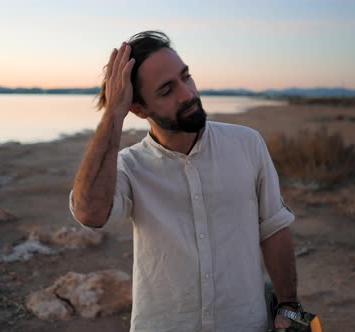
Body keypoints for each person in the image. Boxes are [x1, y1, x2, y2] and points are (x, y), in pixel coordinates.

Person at [69, 31, 299, 332]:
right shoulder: (129, 166)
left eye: (186, 77)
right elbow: (90, 213)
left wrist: (289, 307)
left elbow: (273, 228)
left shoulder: (247, 144)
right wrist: (113, 113)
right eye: (167, 90)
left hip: (245, 323)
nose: (188, 94)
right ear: (138, 109)